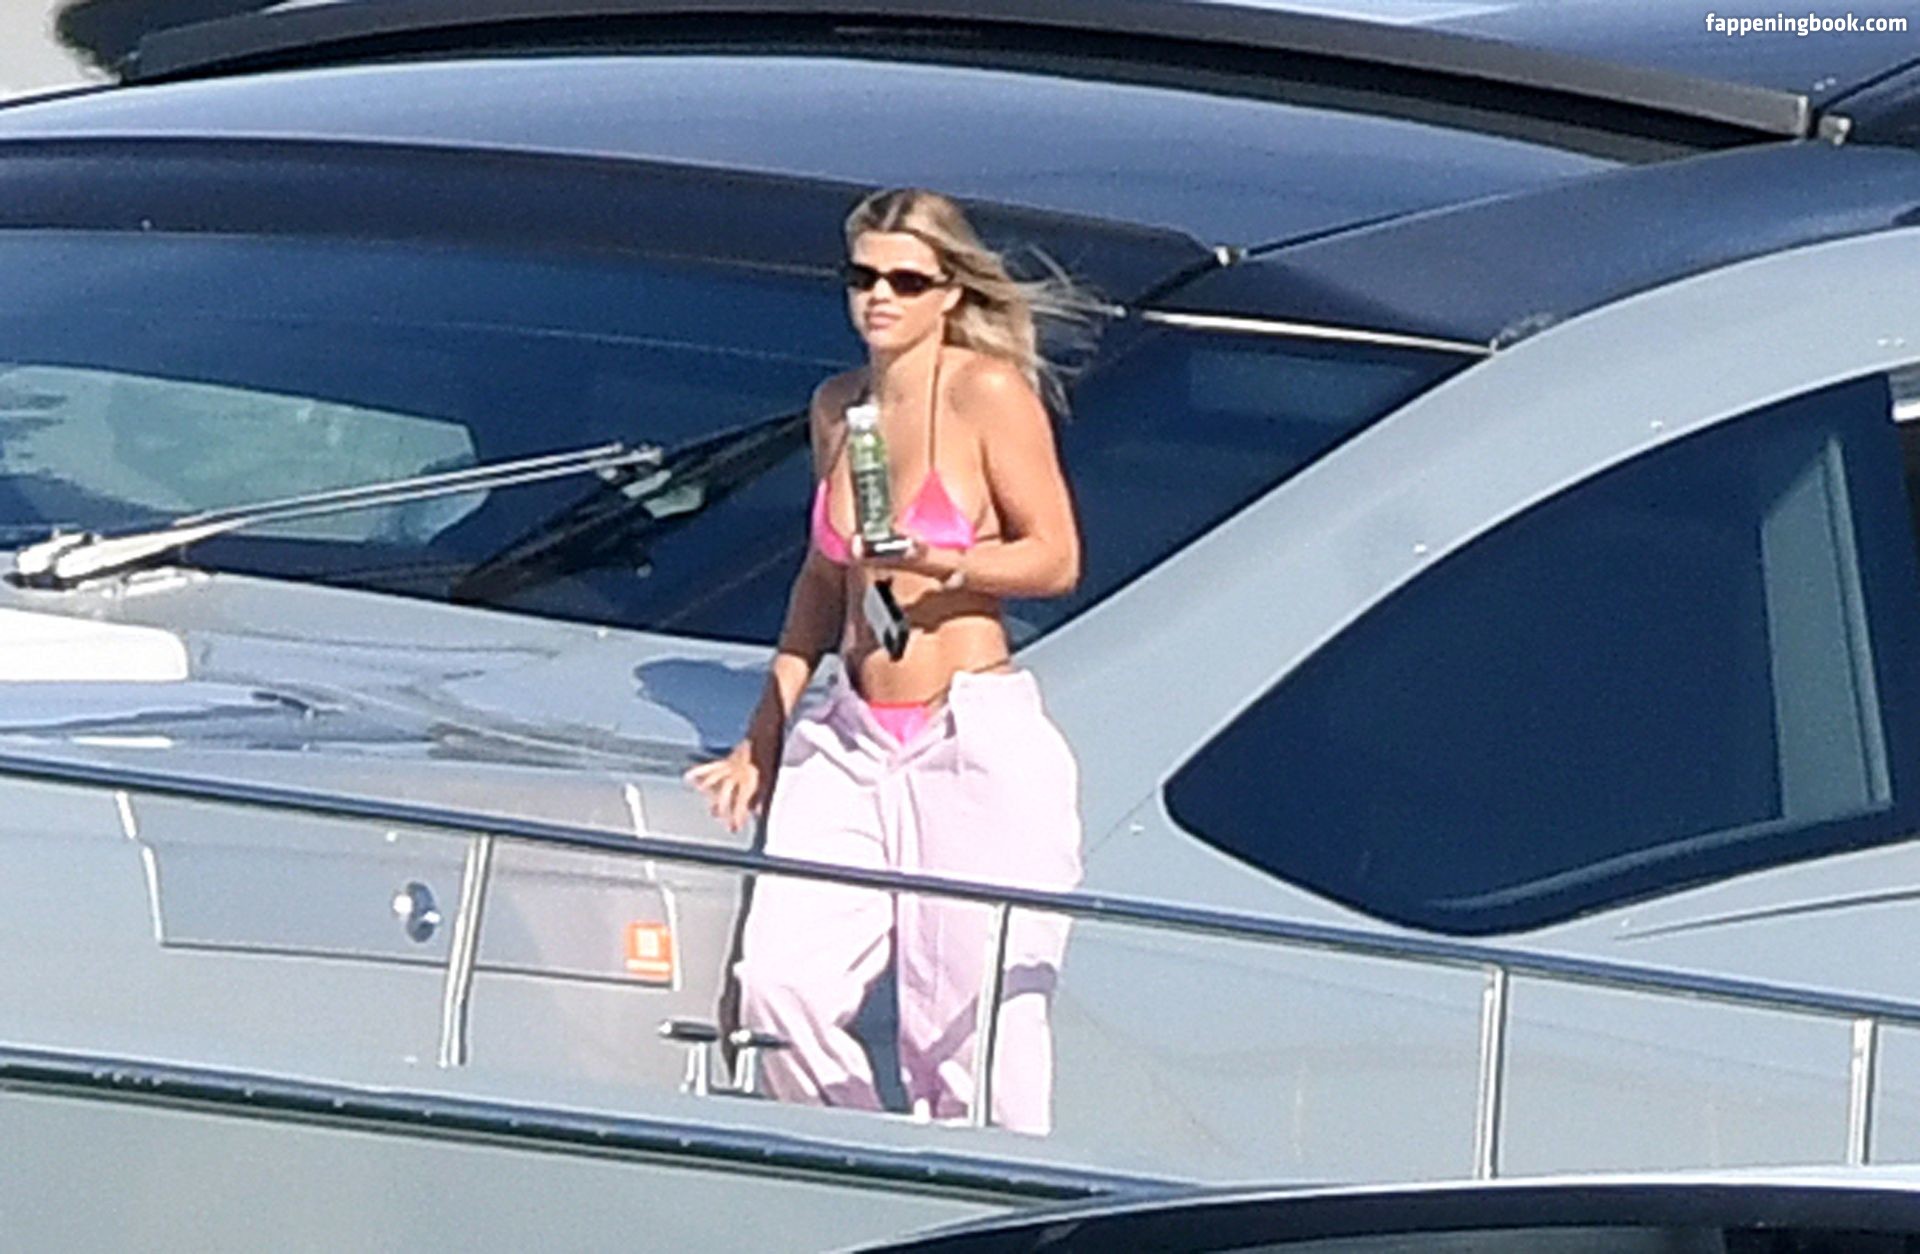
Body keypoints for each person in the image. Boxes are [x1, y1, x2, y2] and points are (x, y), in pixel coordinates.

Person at [681, 187, 1095, 1134]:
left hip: (967, 733)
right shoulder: (839, 407)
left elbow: (1056, 558)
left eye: (906, 281)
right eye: (862, 276)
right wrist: (762, 736)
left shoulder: (986, 392)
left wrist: (943, 559)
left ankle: (983, 1189)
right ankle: (852, 1155)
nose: (880, 297)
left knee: (969, 1028)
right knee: (777, 987)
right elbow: (822, 581)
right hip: (853, 734)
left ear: (950, 292)